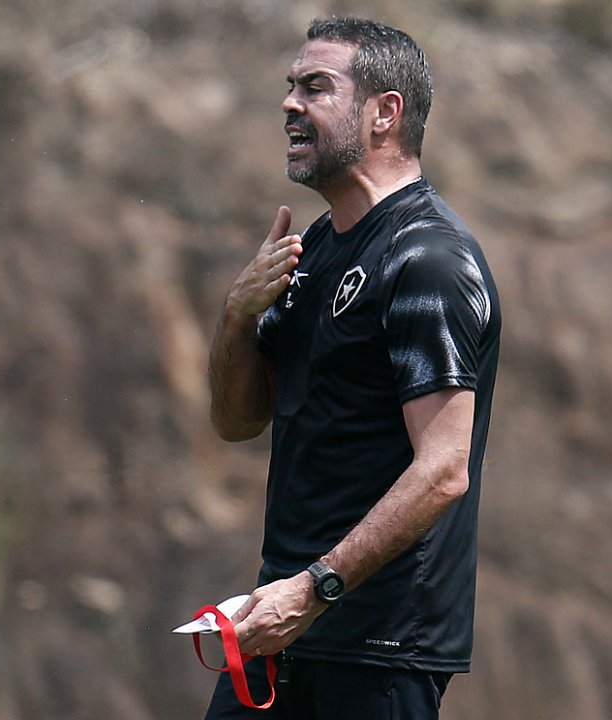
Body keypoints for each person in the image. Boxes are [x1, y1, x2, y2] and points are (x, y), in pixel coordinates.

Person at [204, 17, 501, 720]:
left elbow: (444, 468)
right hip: (280, 626)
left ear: (385, 113)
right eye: (289, 88)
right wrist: (238, 317)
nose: (289, 105)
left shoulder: (427, 258)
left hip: (378, 647)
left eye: (316, 87)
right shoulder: (315, 250)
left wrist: (315, 589)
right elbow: (238, 418)